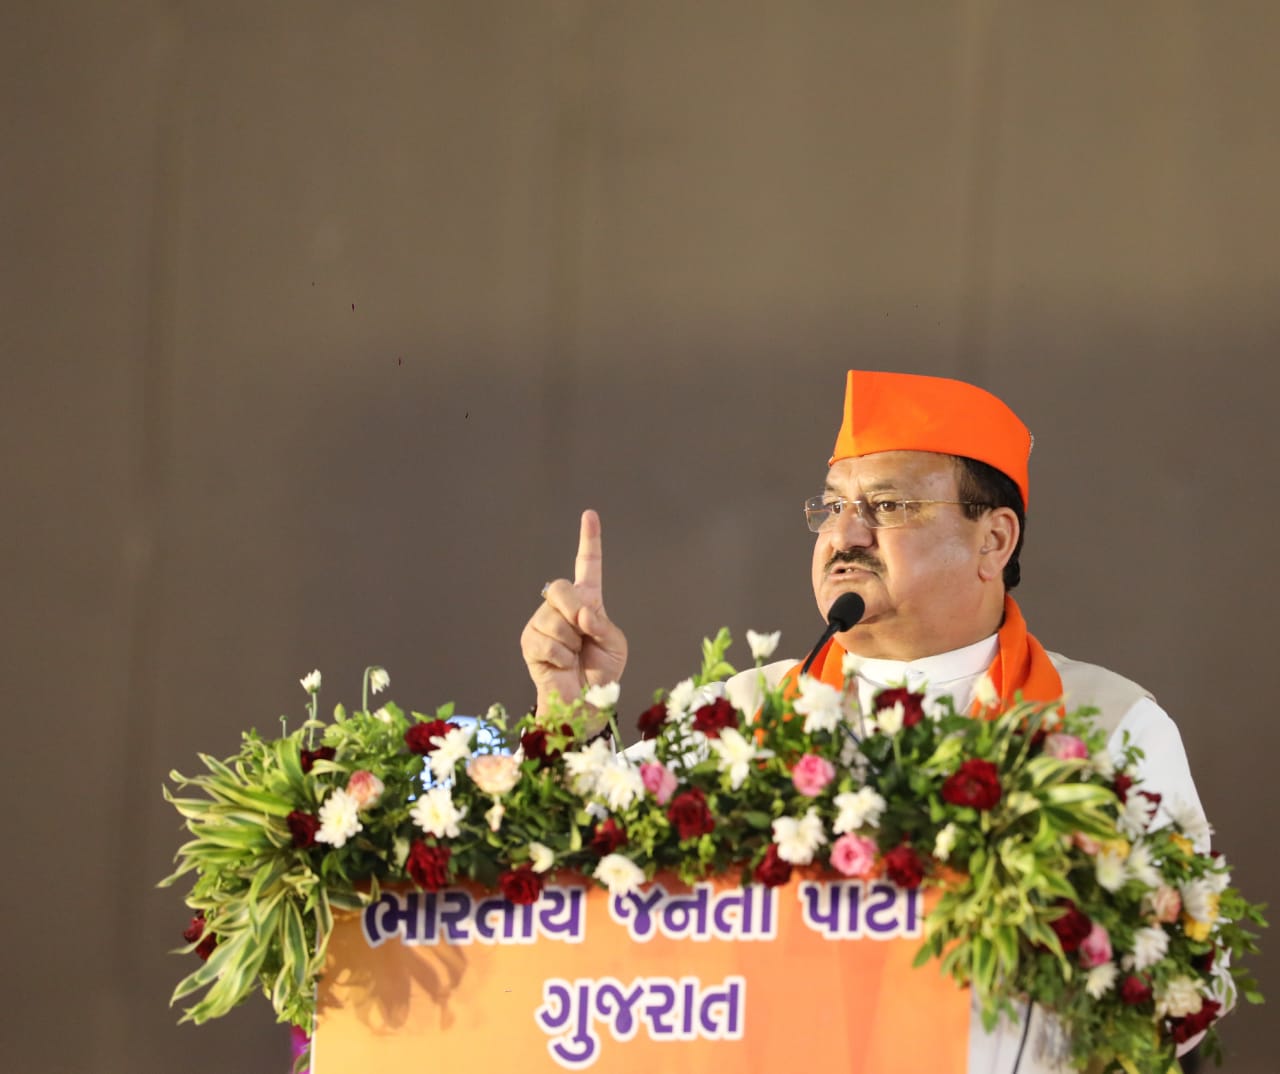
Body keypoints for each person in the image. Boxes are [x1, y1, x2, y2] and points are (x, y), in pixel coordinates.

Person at [519, 369, 1209, 1074]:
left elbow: (1185, 989)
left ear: (993, 541)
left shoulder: (1110, 726)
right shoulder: (743, 714)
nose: (844, 535)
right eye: (831, 506)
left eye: (887, 505)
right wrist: (569, 712)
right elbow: (573, 888)